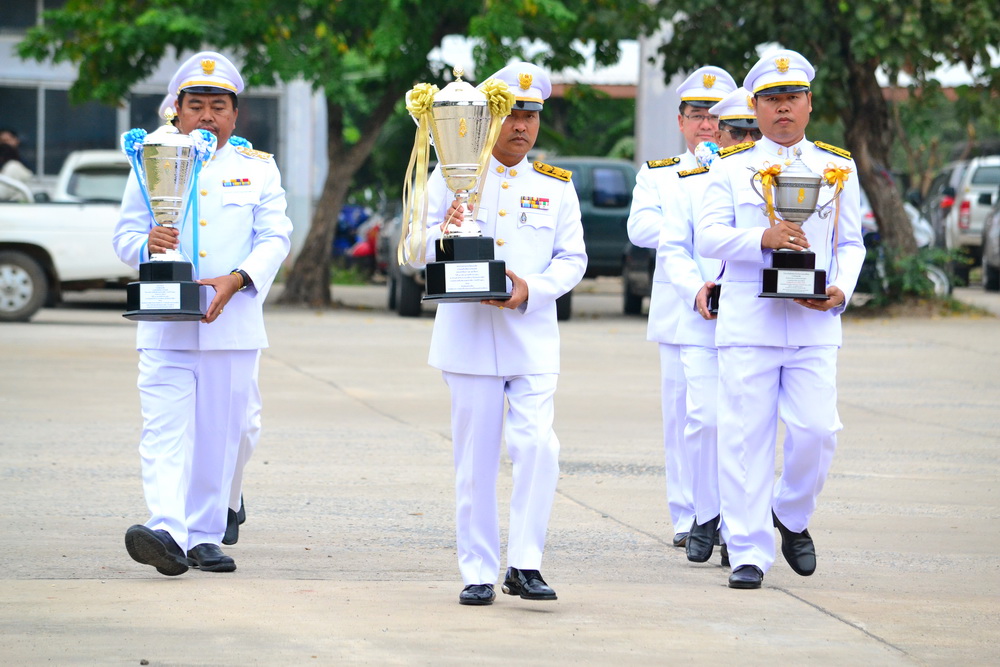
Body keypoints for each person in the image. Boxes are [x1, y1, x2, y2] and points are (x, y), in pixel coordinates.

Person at [410, 62, 587, 606]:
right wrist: (440, 235)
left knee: (539, 448)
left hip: (530, 335)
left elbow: (573, 258)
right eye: (511, 113)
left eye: (532, 115)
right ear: (488, 117)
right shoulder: (450, 173)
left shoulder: (554, 186)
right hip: (466, 339)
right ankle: (478, 570)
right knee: (476, 458)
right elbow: (412, 248)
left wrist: (529, 289)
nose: (522, 126)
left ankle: (526, 563)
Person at [113, 51, 292, 576]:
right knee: (164, 429)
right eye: (197, 105)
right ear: (176, 110)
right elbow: (124, 238)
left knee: (227, 431)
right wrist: (148, 242)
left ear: (235, 116)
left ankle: (207, 533)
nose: (208, 115)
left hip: (231, 323)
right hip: (165, 324)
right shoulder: (149, 159)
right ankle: (166, 528)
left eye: (219, 106)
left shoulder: (256, 169)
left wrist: (238, 280)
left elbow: (275, 236)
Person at [695, 49, 864, 589]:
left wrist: (841, 290)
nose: (783, 109)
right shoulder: (729, 166)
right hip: (750, 321)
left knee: (818, 432)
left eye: (792, 99)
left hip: (815, 321)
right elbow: (709, 236)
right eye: (771, 100)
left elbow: (852, 243)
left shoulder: (838, 167)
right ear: (756, 107)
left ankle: (791, 516)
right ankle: (747, 551)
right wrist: (759, 238)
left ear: (809, 104)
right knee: (745, 438)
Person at [626, 66, 736, 548]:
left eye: (715, 117)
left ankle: (727, 513)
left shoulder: (745, 168)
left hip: (740, 302)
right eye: (697, 116)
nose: (707, 126)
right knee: (684, 418)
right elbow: (639, 229)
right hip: (679, 308)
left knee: (729, 416)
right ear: (681, 121)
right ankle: (686, 513)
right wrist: (685, 226)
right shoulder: (660, 175)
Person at [658, 86, 760, 565]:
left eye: (750, 131)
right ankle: (705, 512)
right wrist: (694, 289)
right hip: (703, 316)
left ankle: (740, 527)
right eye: (734, 131)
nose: (742, 140)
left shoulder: (772, 178)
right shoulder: (691, 178)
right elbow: (673, 247)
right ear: (717, 132)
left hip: (755, 317)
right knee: (705, 420)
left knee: (745, 427)